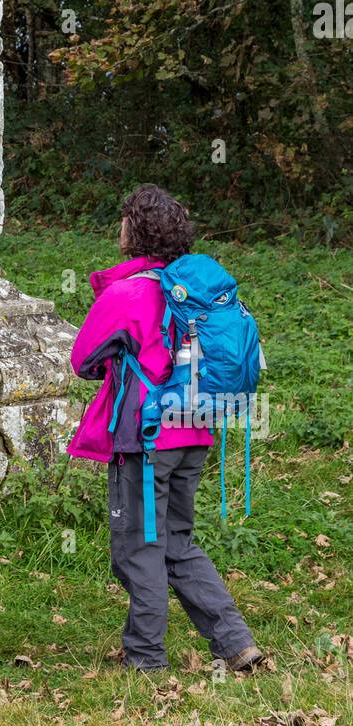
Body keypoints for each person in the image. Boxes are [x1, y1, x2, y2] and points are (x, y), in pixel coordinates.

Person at [67, 183, 262, 673]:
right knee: (177, 541)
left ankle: (145, 658)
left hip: (146, 438)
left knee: (139, 546)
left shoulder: (129, 292)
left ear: (135, 231)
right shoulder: (197, 291)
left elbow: (83, 360)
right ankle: (235, 642)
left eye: (124, 219)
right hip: (193, 431)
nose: (119, 228)